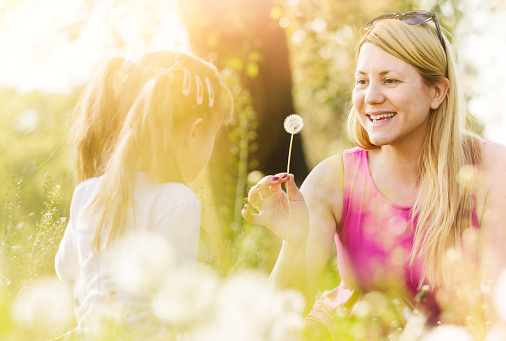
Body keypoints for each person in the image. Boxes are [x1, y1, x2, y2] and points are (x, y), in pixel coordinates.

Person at [243, 10, 506, 339]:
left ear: (437, 92)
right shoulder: (332, 180)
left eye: (390, 80)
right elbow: (281, 323)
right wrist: (293, 243)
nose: (371, 97)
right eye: (362, 81)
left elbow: (499, 309)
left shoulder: (492, 167)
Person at [55, 51, 233, 335]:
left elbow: (65, 271)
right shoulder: (178, 200)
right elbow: (177, 308)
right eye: (215, 134)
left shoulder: (86, 192)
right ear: (195, 133)